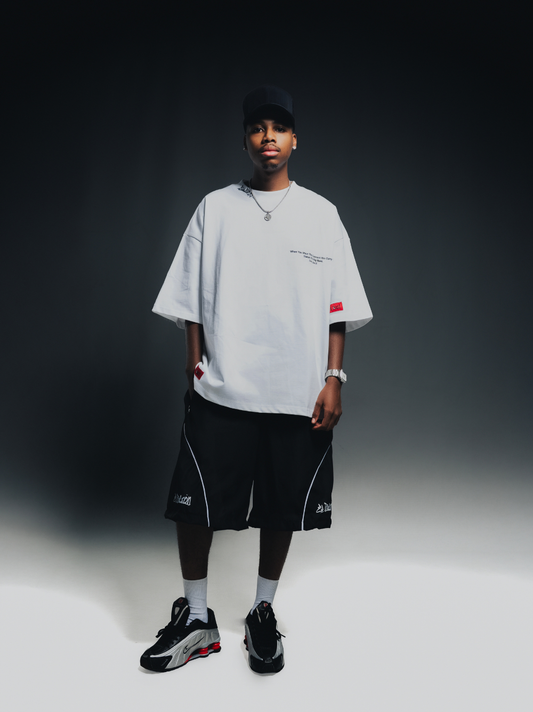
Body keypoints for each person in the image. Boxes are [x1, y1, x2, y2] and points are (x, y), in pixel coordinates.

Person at [140, 86, 372, 675]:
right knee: (194, 504)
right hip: (224, 386)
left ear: (295, 140)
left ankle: (262, 611)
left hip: (297, 390)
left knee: (280, 504)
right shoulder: (214, 208)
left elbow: (338, 307)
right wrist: (195, 360)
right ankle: (196, 618)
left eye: (279, 127)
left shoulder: (321, 214)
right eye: (256, 127)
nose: (267, 137)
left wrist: (334, 376)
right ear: (245, 139)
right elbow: (189, 290)